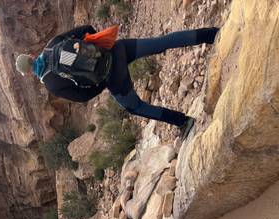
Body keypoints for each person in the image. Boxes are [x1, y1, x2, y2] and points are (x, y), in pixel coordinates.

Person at [15, 25, 219, 139]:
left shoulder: (51, 83)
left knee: (136, 107)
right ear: (32, 55)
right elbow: (87, 28)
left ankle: (183, 121)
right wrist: (97, 52)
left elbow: (84, 96)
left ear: (31, 73)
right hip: (116, 49)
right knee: (162, 41)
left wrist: (103, 78)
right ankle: (213, 34)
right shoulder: (52, 45)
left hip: (113, 77)